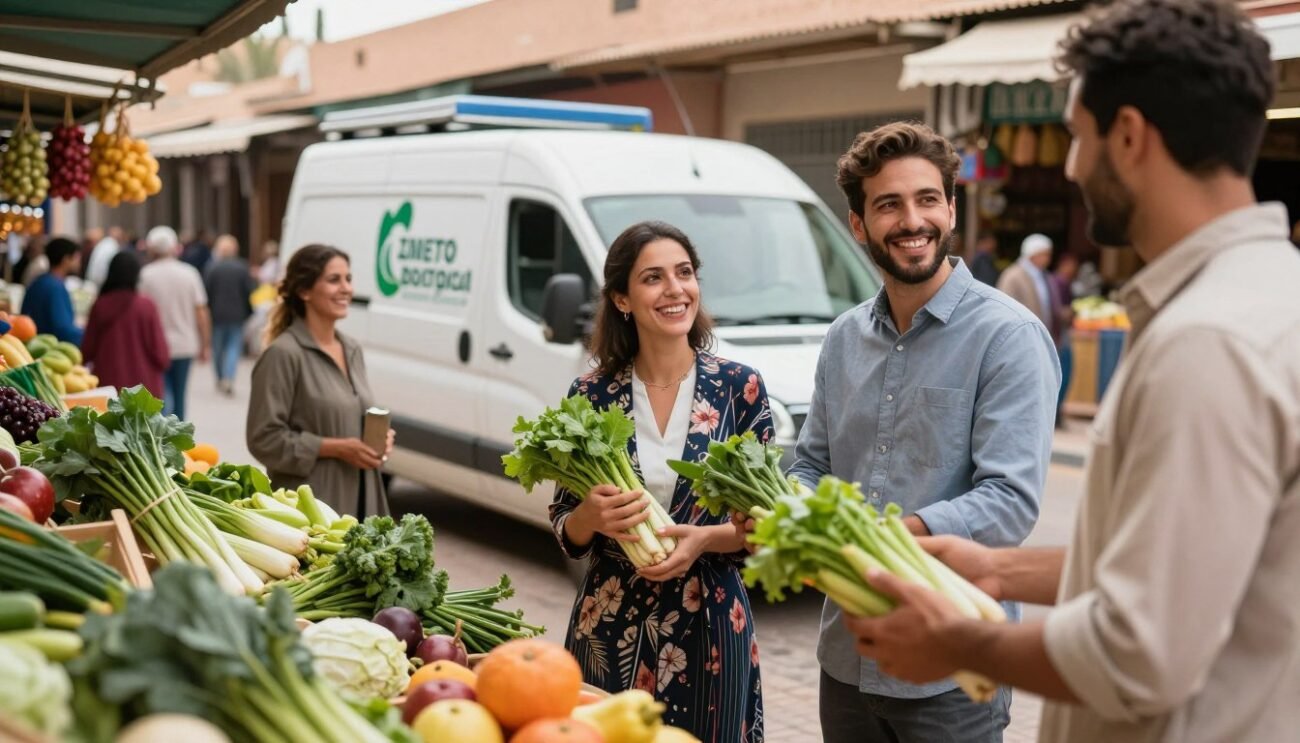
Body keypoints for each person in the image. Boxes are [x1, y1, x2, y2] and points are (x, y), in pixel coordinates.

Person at [842, 3, 1300, 743]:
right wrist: (998, 572)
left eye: (1078, 137)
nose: (1070, 166)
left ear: (1128, 136)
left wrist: (958, 641)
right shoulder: (1267, 295)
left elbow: (1137, 652)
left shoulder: (1208, 341)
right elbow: (1168, 569)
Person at [789, 122, 1060, 742]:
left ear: (951, 209)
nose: (913, 220)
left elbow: (1009, 502)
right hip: (847, 659)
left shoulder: (1007, 337)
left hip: (952, 669)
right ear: (858, 225)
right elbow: (810, 466)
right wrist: (791, 515)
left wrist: (876, 538)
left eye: (927, 200)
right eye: (889, 204)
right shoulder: (843, 338)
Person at [550, 221, 768, 742]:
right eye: (653, 278)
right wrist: (589, 518)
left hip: (711, 621)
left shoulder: (740, 387)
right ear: (622, 299)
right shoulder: (592, 393)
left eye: (684, 273)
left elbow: (766, 525)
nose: (675, 289)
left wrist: (705, 541)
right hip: (608, 621)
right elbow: (565, 527)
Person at [247, 244, 395, 517]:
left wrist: (378, 438)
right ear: (305, 291)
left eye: (348, 279)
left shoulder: (351, 349)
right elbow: (263, 439)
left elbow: (349, 413)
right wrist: (335, 448)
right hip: (313, 511)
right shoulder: (283, 354)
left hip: (364, 499)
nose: (346, 288)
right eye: (333, 280)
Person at [139, 226, 211, 420]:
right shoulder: (189, 273)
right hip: (185, 344)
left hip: (154, 346)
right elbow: (201, 311)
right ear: (175, 247)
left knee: (159, 396)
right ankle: (178, 436)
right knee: (180, 396)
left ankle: (161, 438)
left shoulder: (145, 275)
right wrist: (205, 344)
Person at [81, 251, 170, 397]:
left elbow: (87, 349)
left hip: (108, 386)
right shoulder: (146, 306)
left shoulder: (101, 305)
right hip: (144, 389)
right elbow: (161, 354)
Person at [204, 234, 256, 396]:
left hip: (217, 314)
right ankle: (229, 376)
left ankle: (221, 377)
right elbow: (249, 290)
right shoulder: (242, 267)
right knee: (234, 347)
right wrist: (249, 310)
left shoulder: (212, 267)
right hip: (237, 313)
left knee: (218, 349)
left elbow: (206, 292)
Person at [998, 234, 1064, 342]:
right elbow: (1004, 309)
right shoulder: (1012, 276)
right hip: (1021, 338)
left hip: (1044, 336)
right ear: (1033, 255)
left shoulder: (1046, 275)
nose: (1048, 258)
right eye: (1045, 254)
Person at [20, 237, 84, 345]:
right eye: (76, 258)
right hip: (48, 349)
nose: (79, 263)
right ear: (66, 260)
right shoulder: (54, 287)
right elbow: (64, 330)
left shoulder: (39, 282)